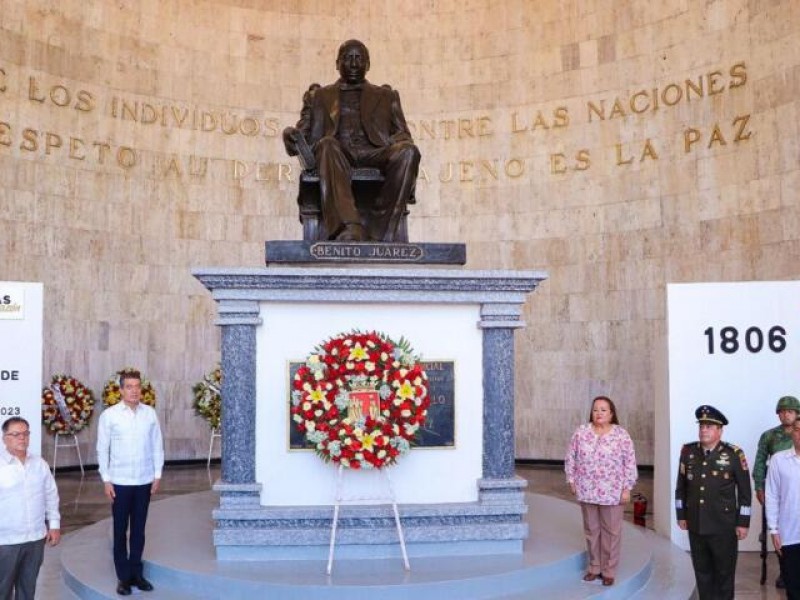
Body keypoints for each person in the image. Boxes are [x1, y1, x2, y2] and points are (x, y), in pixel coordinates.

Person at [283, 39, 421, 242]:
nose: (354, 63)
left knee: (409, 152)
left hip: (375, 152)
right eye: (348, 58)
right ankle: (349, 227)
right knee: (327, 144)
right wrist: (290, 135)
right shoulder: (319, 96)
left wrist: (395, 142)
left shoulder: (387, 96)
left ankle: (379, 228)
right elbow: (303, 132)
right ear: (338, 63)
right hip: (337, 153)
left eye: (359, 58)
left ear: (368, 64)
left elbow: (403, 134)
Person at [97, 370, 164, 596]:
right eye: (129, 386)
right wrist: (106, 480)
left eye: (137, 386)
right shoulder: (110, 416)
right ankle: (123, 577)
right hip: (120, 482)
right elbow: (102, 449)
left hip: (144, 480)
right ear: (121, 390)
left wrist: (157, 474)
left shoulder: (150, 414)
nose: (134, 390)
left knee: (139, 530)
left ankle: (137, 573)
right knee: (119, 531)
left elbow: (157, 446)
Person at [675, 405, 751, 600]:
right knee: (702, 573)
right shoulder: (688, 452)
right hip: (696, 523)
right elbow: (680, 487)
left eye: (709, 426)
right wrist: (681, 515)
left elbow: (745, 492)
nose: (703, 430)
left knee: (724, 574)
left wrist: (743, 522)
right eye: (701, 426)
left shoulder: (734, 454)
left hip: (723, 526)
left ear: (720, 430)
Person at [565, 395, 638, 587]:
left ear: (611, 413)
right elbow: (570, 457)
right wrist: (571, 479)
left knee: (612, 532)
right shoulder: (581, 432)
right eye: (596, 409)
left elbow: (630, 463)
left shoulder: (621, 435)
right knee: (591, 530)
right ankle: (594, 567)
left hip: (612, 491)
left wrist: (627, 488)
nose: (599, 413)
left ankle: (609, 570)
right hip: (587, 488)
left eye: (603, 410)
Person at [0, 417, 60, 599]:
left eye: (26, 433)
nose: (22, 438)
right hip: (6, 541)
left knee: (28, 589)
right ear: (4, 438)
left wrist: (54, 525)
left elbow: (51, 495)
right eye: (16, 434)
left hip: (35, 538)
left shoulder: (39, 464)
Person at [753, 395, 800, 588]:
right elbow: (760, 462)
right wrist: (759, 486)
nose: (785, 415)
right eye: (782, 411)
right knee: (780, 534)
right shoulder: (769, 436)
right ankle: (785, 571)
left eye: (789, 411)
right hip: (779, 490)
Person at [765, 418, 800, 599]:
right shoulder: (779, 460)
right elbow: (771, 496)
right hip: (790, 535)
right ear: (791, 432)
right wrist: (774, 529)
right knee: (793, 588)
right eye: (797, 430)